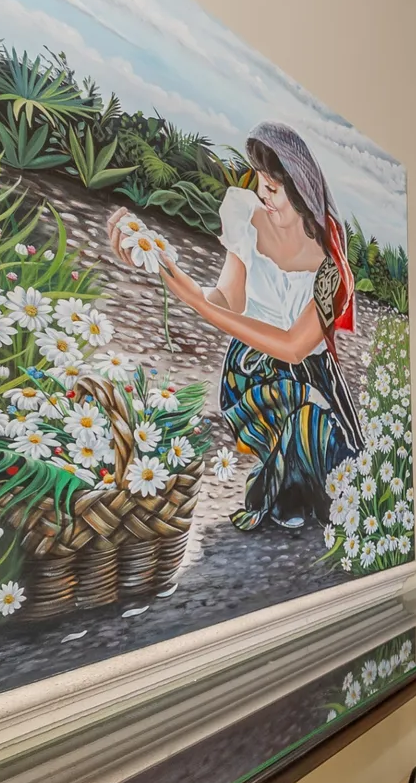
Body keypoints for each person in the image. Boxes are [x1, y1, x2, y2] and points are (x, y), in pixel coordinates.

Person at [107, 121, 363, 531]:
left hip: (309, 373)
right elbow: (227, 300)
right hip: (252, 371)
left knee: (334, 455)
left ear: (300, 189)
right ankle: (285, 492)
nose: (263, 195)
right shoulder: (247, 218)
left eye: (273, 187)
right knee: (305, 424)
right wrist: (166, 267)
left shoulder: (332, 260)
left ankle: (296, 491)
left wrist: (197, 303)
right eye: (260, 183)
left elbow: (295, 346)